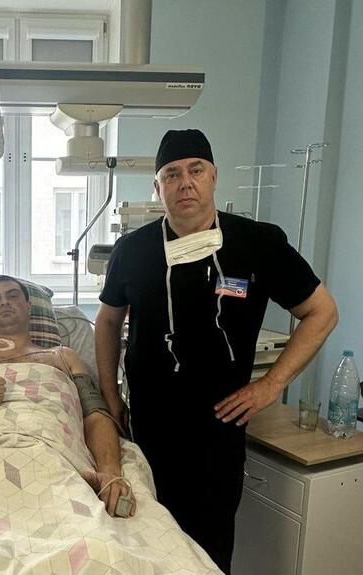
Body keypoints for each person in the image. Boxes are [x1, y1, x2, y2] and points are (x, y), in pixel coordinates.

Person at [94, 129, 338, 573]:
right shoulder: (132, 251)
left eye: (196, 170)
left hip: (218, 427)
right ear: (157, 187)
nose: (185, 183)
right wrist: (111, 396)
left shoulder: (257, 243)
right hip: (149, 424)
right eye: (171, 174)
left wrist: (271, 385)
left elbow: (321, 312)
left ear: (213, 177)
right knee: (146, 541)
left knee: (208, 548)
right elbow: (108, 321)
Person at [0, 275, 135, 518]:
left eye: (12, 295)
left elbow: (95, 415)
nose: (4, 302)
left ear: (29, 307)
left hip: (53, 454)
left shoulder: (62, 357)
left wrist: (110, 472)